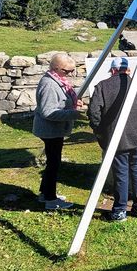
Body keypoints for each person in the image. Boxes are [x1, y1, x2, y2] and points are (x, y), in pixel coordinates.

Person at [88, 57, 137, 222]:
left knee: (120, 173)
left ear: (113, 70)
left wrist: (100, 131)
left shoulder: (102, 86)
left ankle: (120, 210)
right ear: (126, 69)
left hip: (117, 137)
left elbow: (94, 112)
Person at [33, 53, 83, 210]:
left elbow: (60, 101)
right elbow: (48, 112)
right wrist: (74, 113)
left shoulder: (57, 79)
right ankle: (50, 200)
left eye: (72, 71)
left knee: (52, 163)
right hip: (50, 130)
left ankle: (45, 193)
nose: (70, 74)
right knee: (53, 164)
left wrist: (73, 103)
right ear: (56, 68)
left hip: (54, 130)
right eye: (67, 71)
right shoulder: (49, 85)